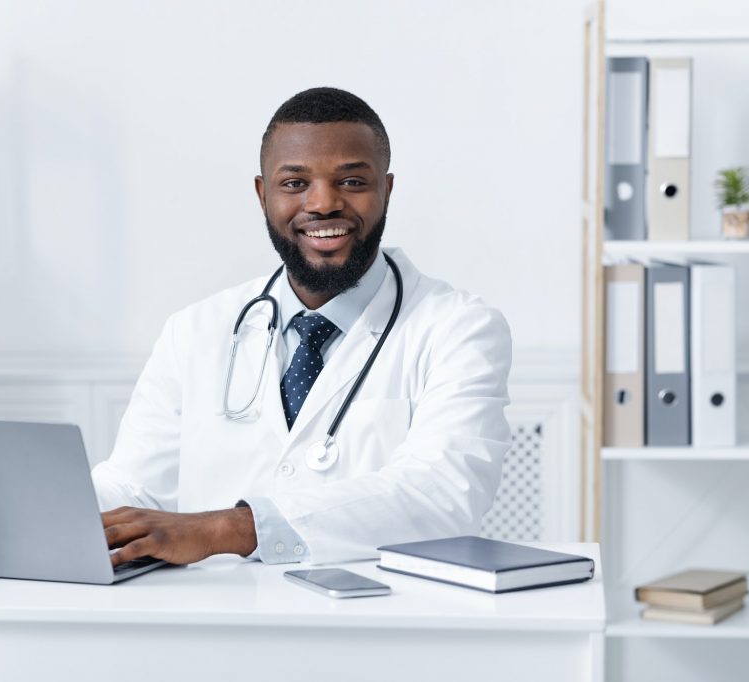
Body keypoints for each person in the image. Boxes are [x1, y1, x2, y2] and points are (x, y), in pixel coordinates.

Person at [94, 87, 512, 567]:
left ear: (387, 190)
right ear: (262, 193)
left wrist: (225, 530)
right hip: (214, 623)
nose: (323, 204)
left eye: (352, 181)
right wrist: (36, 508)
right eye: (294, 183)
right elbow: (132, 486)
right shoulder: (194, 330)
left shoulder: (459, 329)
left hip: (382, 625)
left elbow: (443, 493)